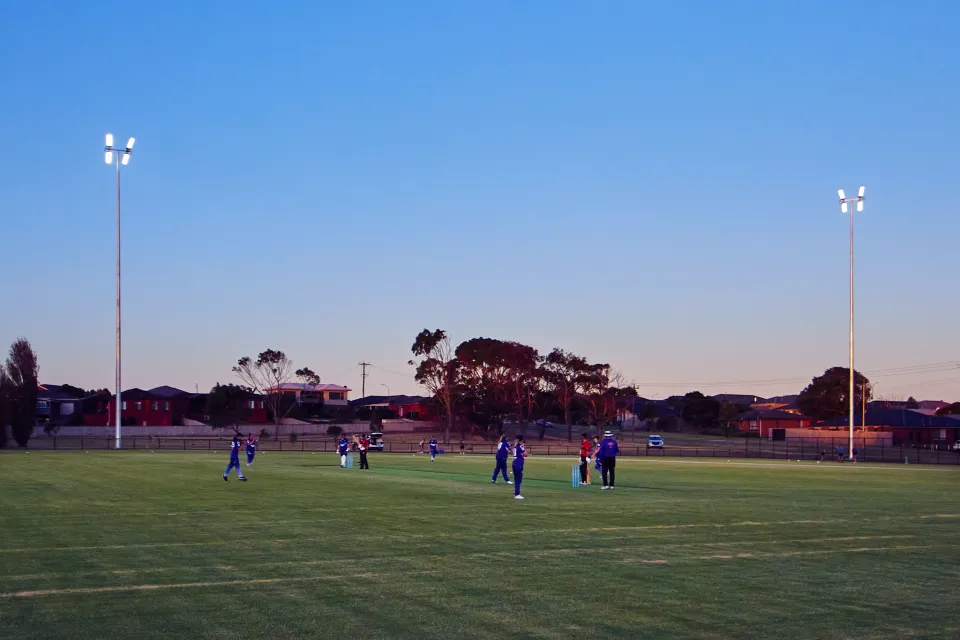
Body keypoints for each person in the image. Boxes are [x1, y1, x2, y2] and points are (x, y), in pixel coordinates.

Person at [512, 435, 528, 500]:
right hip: (518, 464)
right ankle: (517, 494)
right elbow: (526, 454)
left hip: (515, 464)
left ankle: (516, 492)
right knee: (518, 480)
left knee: (517, 479)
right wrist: (523, 447)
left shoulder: (515, 446)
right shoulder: (520, 446)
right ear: (521, 441)